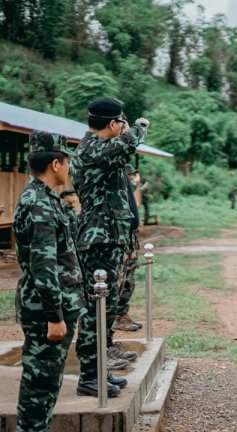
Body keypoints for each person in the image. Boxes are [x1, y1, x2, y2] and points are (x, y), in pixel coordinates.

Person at [71, 97, 148, 397]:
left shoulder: (103, 150)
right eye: (120, 122)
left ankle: (97, 371)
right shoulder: (93, 149)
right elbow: (129, 143)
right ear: (113, 123)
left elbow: (123, 150)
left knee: (106, 306)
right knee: (94, 308)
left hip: (107, 237)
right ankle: (89, 376)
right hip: (97, 239)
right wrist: (139, 126)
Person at [13, 131, 90, 431]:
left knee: (46, 384)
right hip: (48, 311)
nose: (69, 169)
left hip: (55, 306)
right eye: (67, 162)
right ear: (56, 164)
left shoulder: (44, 199)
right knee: (40, 387)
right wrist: (54, 316)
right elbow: (43, 265)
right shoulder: (39, 205)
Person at [114, 164, 144, 332]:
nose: (133, 178)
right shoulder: (120, 188)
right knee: (123, 280)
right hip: (123, 239)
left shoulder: (126, 187)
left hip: (129, 238)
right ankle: (118, 316)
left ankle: (122, 313)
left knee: (129, 279)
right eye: (130, 175)